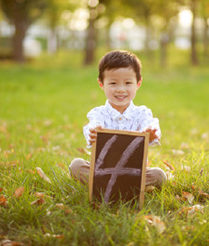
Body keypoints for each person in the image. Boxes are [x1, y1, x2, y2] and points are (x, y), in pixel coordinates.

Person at [69, 50, 167, 187]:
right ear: (101, 84)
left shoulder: (142, 113)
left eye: (127, 83)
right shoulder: (98, 113)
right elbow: (92, 125)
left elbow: (151, 125)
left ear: (138, 83)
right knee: (76, 165)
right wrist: (94, 132)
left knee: (159, 175)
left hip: (133, 172)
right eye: (113, 83)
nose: (121, 89)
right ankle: (119, 185)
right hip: (103, 170)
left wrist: (150, 133)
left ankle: (112, 185)